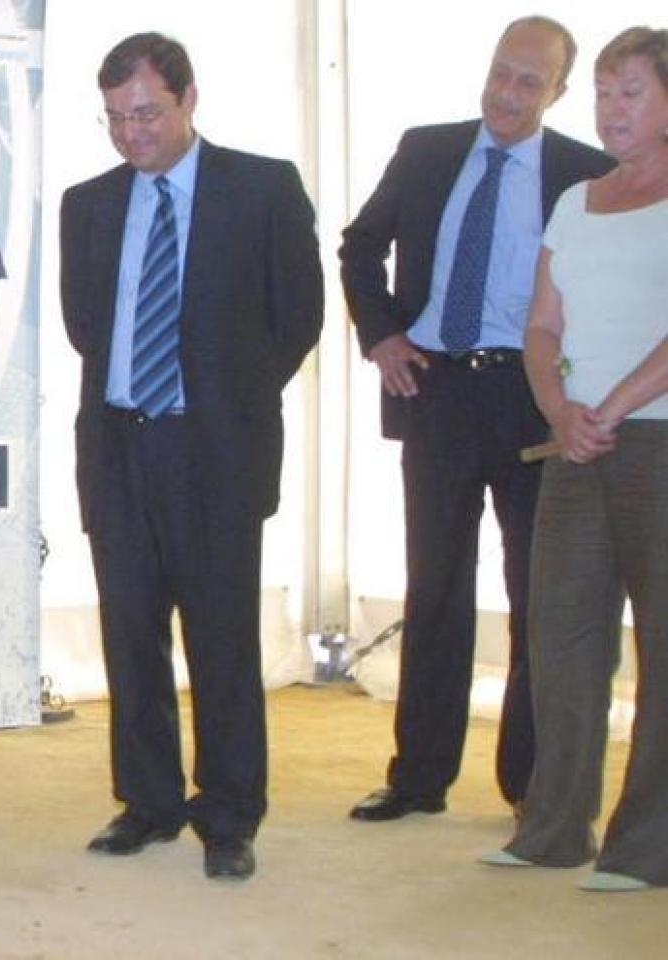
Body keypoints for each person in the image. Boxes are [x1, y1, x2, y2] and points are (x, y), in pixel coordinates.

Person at [59, 32, 323, 881]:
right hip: (119, 448)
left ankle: (230, 814)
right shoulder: (87, 203)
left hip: (214, 452)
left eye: (147, 113)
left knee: (222, 643)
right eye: (115, 119)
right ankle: (148, 803)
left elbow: (299, 317)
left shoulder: (263, 188)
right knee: (131, 635)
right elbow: (83, 327)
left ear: (188, 99)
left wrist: (222, 399)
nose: (132, 134)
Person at [339, 17, 613, 823]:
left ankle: (529, 785)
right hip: (438, 392)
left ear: (558, 93)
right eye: (502, 72)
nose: (508, 92)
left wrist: (577, 396)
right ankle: (419, 778)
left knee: (539, 598)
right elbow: (359, 246)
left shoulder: (584, 175)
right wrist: (383, 334)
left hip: (533, 402)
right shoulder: (427, 150)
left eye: (531, 81)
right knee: (435, 592)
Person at [483, 25, 668, 892]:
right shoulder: (576, 199)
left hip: (654, 439)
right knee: (561, 634)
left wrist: (615, 407)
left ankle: (648, 847)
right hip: (575, 439)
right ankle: (553, 827)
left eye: (629, 90)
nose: (610, 107)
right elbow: (541, 325)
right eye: (600, 91)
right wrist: (563, 408)